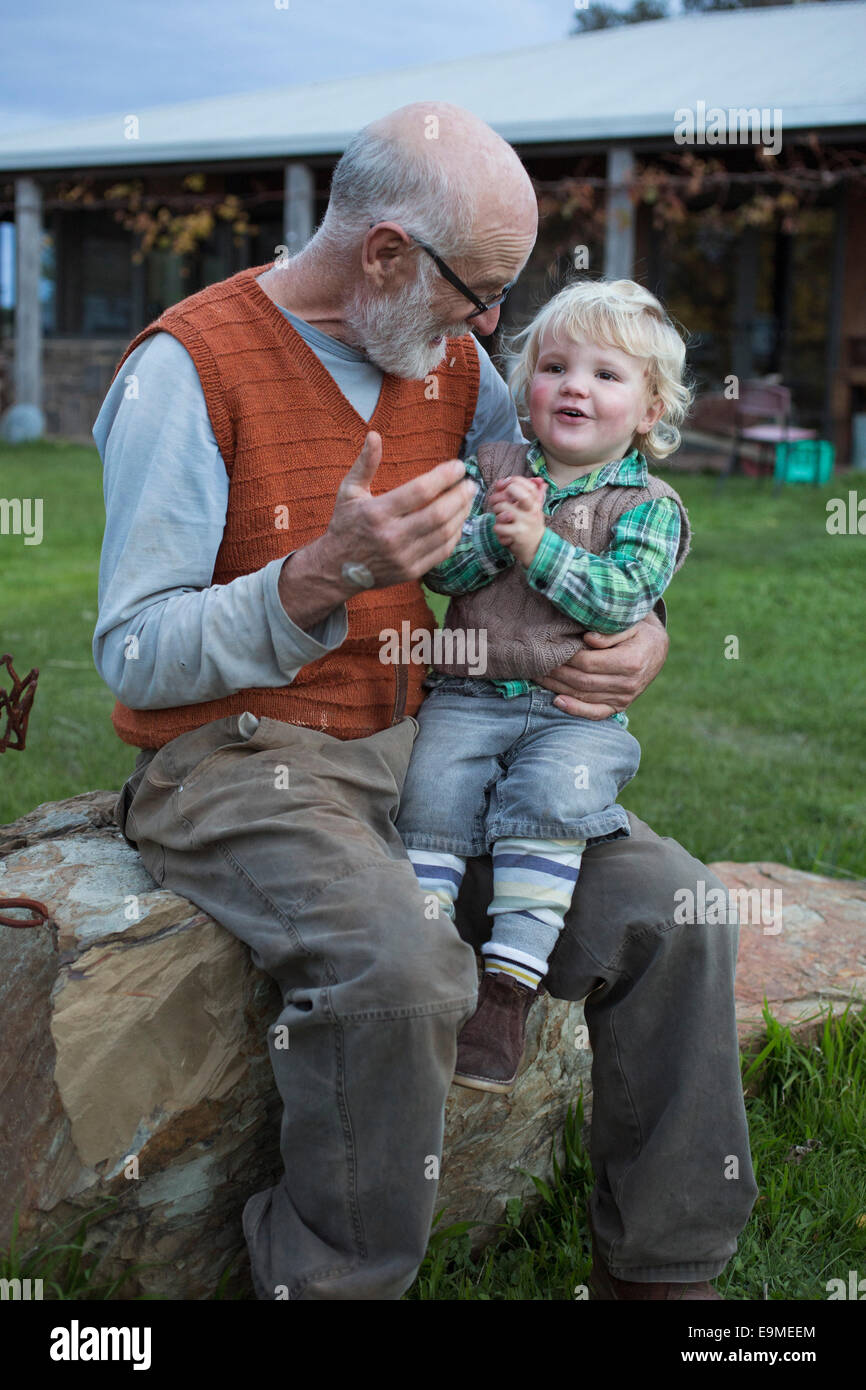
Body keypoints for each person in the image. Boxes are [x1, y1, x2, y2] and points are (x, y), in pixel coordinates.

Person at [93, 100, 757, 1300]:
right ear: (387, 253)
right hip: (242, 756)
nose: (495, 326)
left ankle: (666, 1280)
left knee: (674, 908)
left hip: (446, 739)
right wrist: (315, 576)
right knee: (403, 974)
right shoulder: (182, 371)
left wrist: (640, 634)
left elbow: (568, 521)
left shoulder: (448, 363)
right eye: (481, 288)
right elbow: (134, 653)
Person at [396, 277, 692, 1096]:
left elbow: (621, 597)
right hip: (468, 692)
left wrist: (538, 548)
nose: (575, 386)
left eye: (606, 374)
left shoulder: (650, 505)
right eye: (555, 366)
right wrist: (496, 532)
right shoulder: (486, 469)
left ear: (648, 410)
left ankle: (507, 989)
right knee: (428, 795)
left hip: (574, 716)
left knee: (550, 807)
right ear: (526, 389)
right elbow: (442, 568)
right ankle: (427, 963)